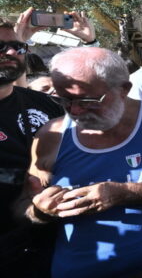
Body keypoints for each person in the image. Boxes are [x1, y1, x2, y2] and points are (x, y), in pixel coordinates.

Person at [22, 47, 142, 278]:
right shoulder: (51, 135)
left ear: (123, 90)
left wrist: (123, 192)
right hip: (79, 268)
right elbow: (26, 206)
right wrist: (40, 211)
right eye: (64, 99)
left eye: (88, 100)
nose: (75, 110)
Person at [0, 18, 64, 277]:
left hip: (52, 243)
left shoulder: (42, 103)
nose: (12, 52)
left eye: (18, 46)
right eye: (1, 46)